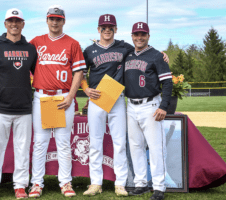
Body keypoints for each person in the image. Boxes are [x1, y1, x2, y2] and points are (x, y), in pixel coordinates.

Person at [0, 8, 37, 200]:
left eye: (17, 21)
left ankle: (20, 186)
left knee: (22, 149)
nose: (14, 24)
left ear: (23, 24)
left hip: (24, 109)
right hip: (0, 109)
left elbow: (39, 76)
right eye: (10, 21)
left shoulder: (30, 49)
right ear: (5, 24)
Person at [28, 5, 85, 198]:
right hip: (42, 96)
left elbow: (79, 72)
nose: (55, 22)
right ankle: (36, 183)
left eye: (58, 19)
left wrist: (70, 97)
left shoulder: (73, 43)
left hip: (63, 97)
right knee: (40, 142)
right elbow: (22, 64)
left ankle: (66, 182)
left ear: (64, 21)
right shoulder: (36, 42)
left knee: (63, 142)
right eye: (51, 18)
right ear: (46, 20)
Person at [81, 14, 134, 197]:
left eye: (110, 27)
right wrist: (86, 89)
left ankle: (121, 183)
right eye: (103, 28)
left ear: (115, 29)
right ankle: (96, 183)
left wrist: (161, 55)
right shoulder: (89, 50)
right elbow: (80, 73)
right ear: (98, 29)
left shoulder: (125, 47)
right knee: (95, 142)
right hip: (96, 98)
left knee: (119, 142)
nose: (107, 30)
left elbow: (144, 50)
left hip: (117, 98)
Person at [124, 22, 173, 200]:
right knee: (135, 147)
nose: (139, 37)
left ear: (148, 36)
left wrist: (163, 106)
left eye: (143, 34)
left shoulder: (156, 56)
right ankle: (141, 184)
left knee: (155, 148)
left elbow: (168, 82)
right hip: (131, 105)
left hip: (151, 105)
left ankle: (159, 187)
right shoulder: (127, 55)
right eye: (136, 34)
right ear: (132, 36)